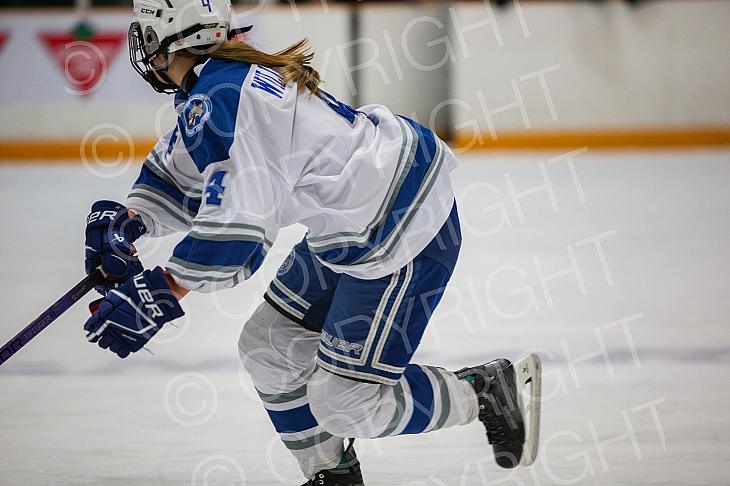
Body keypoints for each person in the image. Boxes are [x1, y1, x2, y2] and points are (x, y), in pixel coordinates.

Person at [82, 0, 541, 483]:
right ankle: (333, 474)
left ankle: (485, 391)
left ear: (170, 38)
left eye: (146, 33)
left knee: (346, 404)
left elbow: (241, 226)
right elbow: (183, 172)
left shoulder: (227, 93)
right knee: (268, 348)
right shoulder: (218, 82)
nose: (142, 45)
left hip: (399, 228)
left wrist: (165, 289)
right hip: (356, 220)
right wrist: (129, 222)